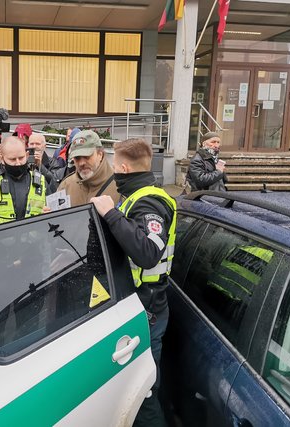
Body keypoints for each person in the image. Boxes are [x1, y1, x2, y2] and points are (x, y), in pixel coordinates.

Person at [90, 138, 177, 427]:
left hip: (149, 307)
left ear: (124, 168)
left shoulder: (151, 201)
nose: (114, 172)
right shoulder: (136, 197)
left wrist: (110, 213)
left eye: (115, 166)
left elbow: (148, 253)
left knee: (144, 391)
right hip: (139, 303)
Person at [57, 129, 120, 206]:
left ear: (100, 154)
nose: (81, 163)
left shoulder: (120, 186)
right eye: (77, 158)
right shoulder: (66, 186)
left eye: (87, 156)